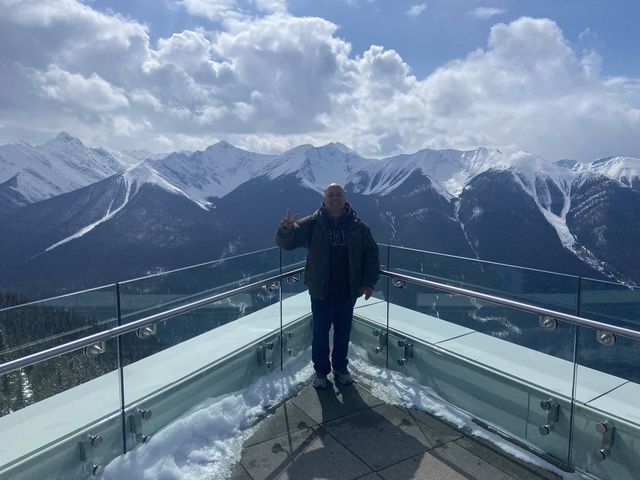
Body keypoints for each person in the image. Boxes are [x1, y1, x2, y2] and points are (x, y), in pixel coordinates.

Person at [275, 183, 380, 389]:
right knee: (320, 334)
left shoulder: (358, 226)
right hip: (320, 290)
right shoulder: (312, 224)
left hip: (348, 291)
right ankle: (321, 372)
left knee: (343, 333)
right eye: (331, 195)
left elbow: (371, 254)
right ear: (323, 200)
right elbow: (287, 243)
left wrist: (368, 282)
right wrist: (285, 230)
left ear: (345, 199)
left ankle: (341, 368)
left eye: (338, 195)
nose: (335, 198)